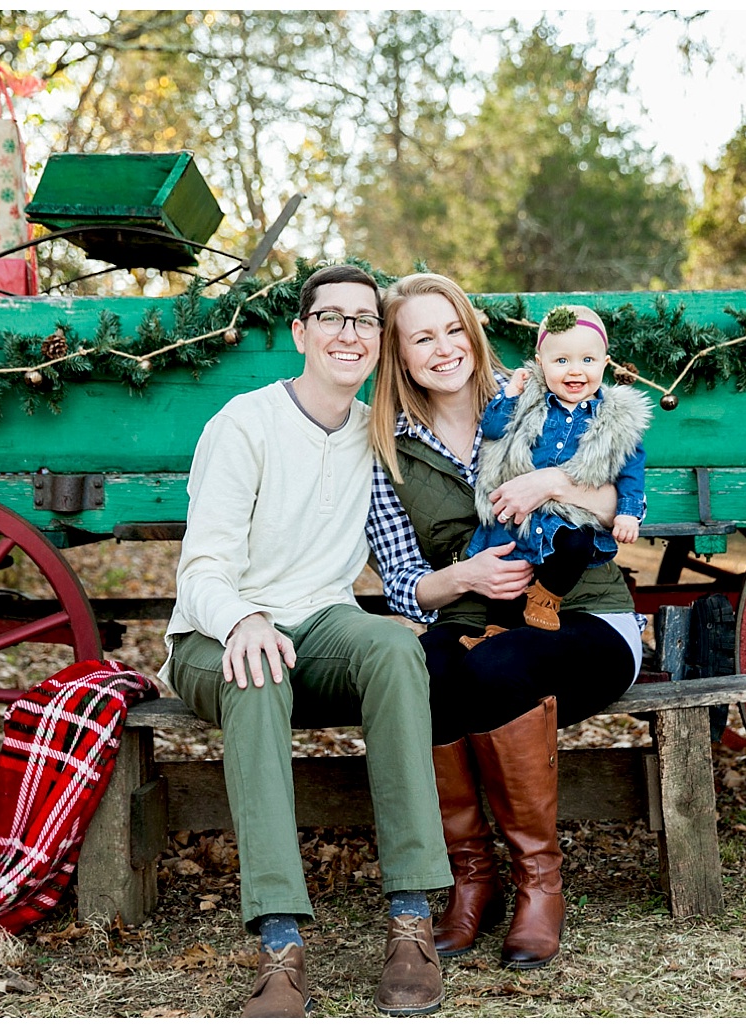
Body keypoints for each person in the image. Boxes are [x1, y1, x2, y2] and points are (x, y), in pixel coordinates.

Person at [161, 264, 452, 1018]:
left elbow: (467, 400)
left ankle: (412, 920)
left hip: (320, 623)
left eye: (364, 321)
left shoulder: (376, 429)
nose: (349, 333)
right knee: (256, 672)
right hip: (213, 634)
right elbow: (201, 571)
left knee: (393, 649)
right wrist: (242, 619)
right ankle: (281, 941)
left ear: (379, 343)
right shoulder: (245, 425)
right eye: (332, 317)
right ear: (301, 332)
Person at [365, 273, 645, 971]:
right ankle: (471, 879)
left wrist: (552, 483)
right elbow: (403, 582)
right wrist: (461, 577)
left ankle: (538, 884)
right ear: (399, 356)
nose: (443, 348)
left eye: (453, 329)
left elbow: (625, 492)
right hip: (472, 617)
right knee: (421, 669)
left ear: (473, 331)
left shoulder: (542, 389)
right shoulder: (385, 448)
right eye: (421, 337)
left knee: (495, 667)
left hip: (583, 613)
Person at [461, 304, 649, 647]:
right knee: (507, 562)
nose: (575, 371)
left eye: (587, 361)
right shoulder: (529, 401)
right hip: (523, 513)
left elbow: (631, 469)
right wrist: (510, 395)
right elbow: (492, 428)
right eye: (561, 361)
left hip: (568, 518)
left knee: (576, 544)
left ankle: (546, 597)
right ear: (540, 362)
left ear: (605, 364)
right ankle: (493, 636)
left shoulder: (615, 419)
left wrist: (628, 512)